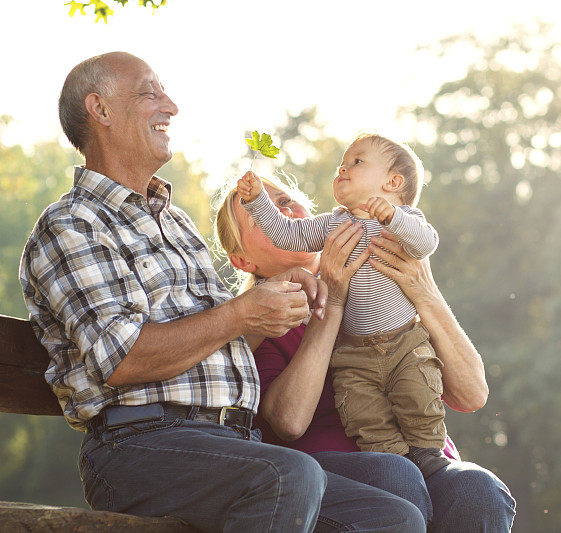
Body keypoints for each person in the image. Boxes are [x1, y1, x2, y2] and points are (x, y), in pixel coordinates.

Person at [18, 51, 426, 532]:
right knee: (286, 474)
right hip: (137, 447)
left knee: (391, 513)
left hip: (234, 440)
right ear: (100, 110)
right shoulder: (73, 224)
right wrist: (241, 314)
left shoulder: (174, 222)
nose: (170, 105)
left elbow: (214, 338)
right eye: (150, 93)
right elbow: (121, 360)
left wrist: (273, 301)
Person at [216, 173, 517, 531]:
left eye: (285, 199)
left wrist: (424, 291)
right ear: (244, 262)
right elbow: (289, 422)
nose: (284, 210)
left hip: (426, 459)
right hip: (337, 474)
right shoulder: (260, 322)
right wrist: (333, 295)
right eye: (260, 209)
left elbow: (471, 394)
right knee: (395, 474)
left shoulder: (384, 282)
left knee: (478, 489)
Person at [237, 134, 450, 476]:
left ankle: (428, 454)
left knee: (419, 395)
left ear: (393, 182)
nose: (343, 166)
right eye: (345, 161)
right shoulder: (333, 224)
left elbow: (426, 242)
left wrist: (394, 218)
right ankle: (397, 460)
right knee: (363, 412)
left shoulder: (405, 220)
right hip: (354, 354)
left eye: (357, 162)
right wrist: (257, 201)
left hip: (405, 341)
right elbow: (287, 234)